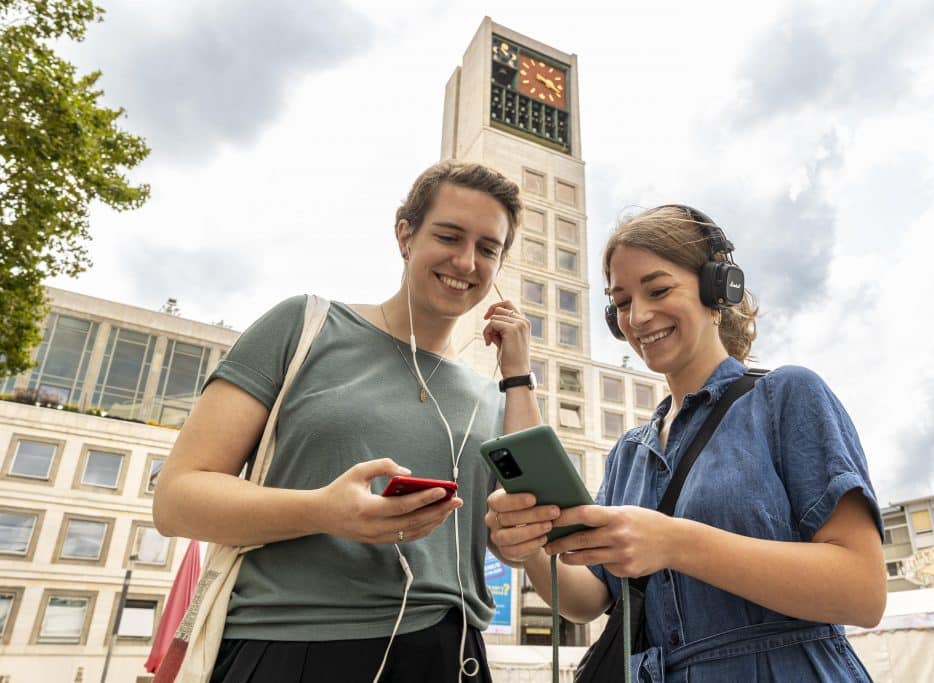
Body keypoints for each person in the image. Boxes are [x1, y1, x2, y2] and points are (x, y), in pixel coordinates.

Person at [154, 160, 542, 683]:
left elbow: (527, 527)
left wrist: (520, 376)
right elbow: (175, 500)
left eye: (488, 249)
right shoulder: (304, 326)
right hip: (291, 648)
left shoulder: (489, 398)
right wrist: (322, 511)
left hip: (450, 658)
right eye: (448, 236)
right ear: (405, 235)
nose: (466, 261)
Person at [486, 205, 886, 681]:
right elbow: (589, 600)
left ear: (718, 289)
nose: (638, 316)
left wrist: (674, 543)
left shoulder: (787, 396)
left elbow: (863, 592)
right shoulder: (628, 455)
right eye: (622, 302)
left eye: (658, 290)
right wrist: (530, 546)